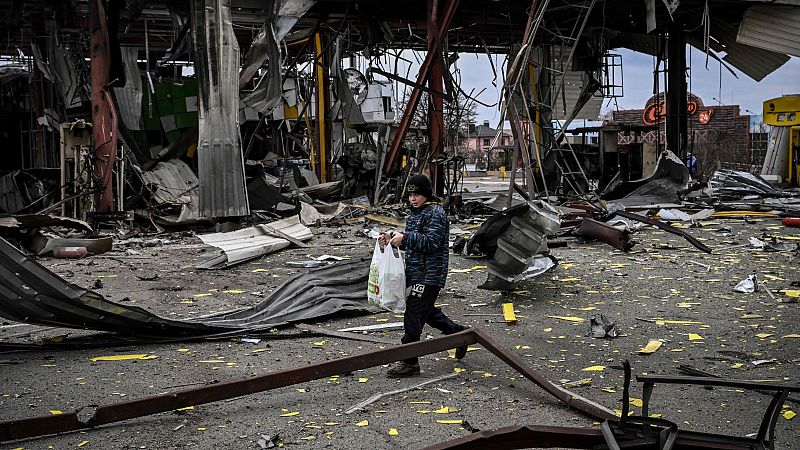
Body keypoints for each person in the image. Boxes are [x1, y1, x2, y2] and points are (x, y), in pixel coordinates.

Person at [379, 174, 468, 378]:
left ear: (426, 194)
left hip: (430, 274)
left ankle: (410, 362)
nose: (413, 199)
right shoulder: (416, 213)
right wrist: (392, 238)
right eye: (410, 195)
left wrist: (405, 238)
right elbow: (414, 242)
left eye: (417, 195)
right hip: (416, 272)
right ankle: (458, 334)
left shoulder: (435, 213)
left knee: (414, 313)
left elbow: (432, 242)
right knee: (426, 312)